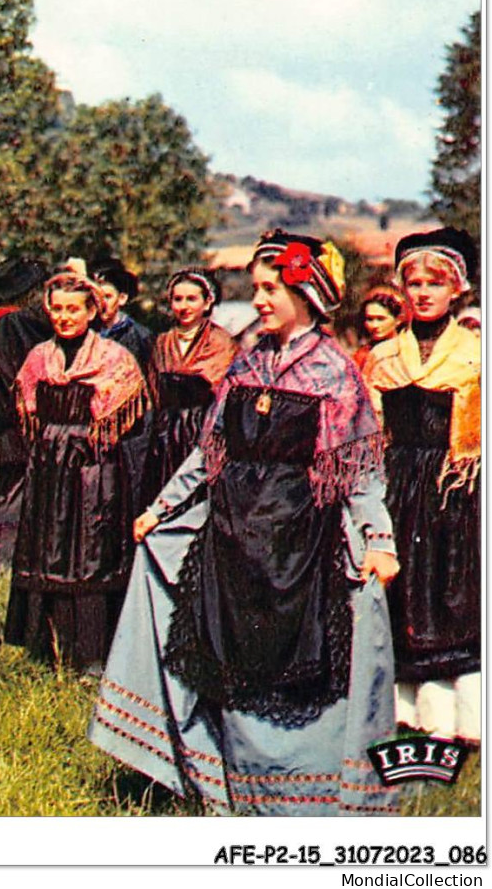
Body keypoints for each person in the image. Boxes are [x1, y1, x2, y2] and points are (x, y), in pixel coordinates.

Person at [91, 230, 399, 815]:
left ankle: (297, 802)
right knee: (230, 663)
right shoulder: (247, 361)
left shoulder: (335, 372)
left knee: (294, 676)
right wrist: (159, 509)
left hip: (299, 547)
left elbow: (359, 471)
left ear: (307, 293)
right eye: (256, 289)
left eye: (271, 289)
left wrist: (378, 540)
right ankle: (225, 786)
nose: (259, 300)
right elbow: (209, 454)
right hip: (232, 539)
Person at [365, 227, 480, 743]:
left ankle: (460, 716)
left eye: (436, 283)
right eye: (414, 283)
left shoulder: (475, 353)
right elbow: (369, 432)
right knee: (403, 596)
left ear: (458, 289)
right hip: (397, 486)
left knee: (451, 594)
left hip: (456, 490)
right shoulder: (385, 356)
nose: (424, 293)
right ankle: (401, 710)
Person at [6, 270, 148, 674]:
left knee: (90, 552)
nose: (64, 317)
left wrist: (89, 443)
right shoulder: (38, 357)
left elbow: (131, 422)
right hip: (49, 466)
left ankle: (91, 657)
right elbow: (25, 410)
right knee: (47, 547)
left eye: (74, 309)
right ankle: (46, 651)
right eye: (58, 309)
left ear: (91, 311)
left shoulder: (114, 359)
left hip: (93, 469)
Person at [0, 256, 52, 568]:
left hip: (5, 422)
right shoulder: (13, 323)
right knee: (14, 492)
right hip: (14, 423)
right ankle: (3, 559)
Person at [143, 268, 237, 504]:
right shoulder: (162, 342)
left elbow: (221, 391)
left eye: (191, 299)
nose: (183, 306)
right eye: (178, 299)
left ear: (207, 303)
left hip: (201, 430)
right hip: (165, 436)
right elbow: (154, 390)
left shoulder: (220, 342)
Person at [91, 255, 155, 371]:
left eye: (107, 297)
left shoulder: (140, 336)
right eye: (95, 297)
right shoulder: (86, 331)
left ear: (122, 298)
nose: (101, 303)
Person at [353, 285, 410, 373]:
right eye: (370, 319)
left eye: (381, 319)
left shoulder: (408, 351)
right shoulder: (361, 356)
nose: (374, 325)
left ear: (398, 320)